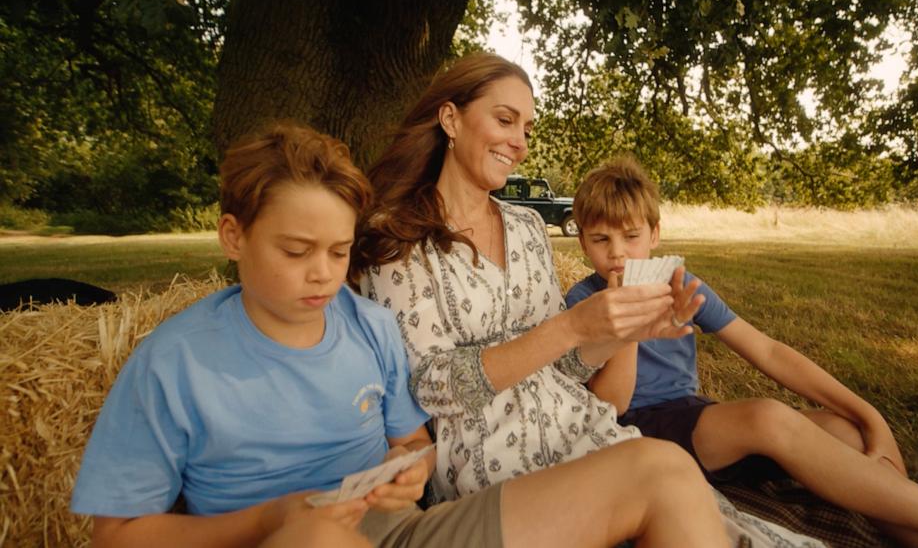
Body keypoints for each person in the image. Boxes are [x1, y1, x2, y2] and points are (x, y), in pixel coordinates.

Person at [69, 122, 735, 548]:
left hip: (399, 535)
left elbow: (413, 444)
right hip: (275, 540)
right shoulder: (174, 363)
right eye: (297, 250)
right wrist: (275, 518)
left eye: (338, 251)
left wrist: (405, 473)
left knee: (662, 468)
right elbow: (118, 534)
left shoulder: (369, 327)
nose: (324, 275)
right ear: (233, 236)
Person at [354, 52, 825, 547]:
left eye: (528, 128)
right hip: (489, 456)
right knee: (665, 483)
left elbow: (564, 370)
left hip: (580, 424)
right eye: (505, 120)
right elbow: (428, 390)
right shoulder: (398, 238)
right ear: (451, 119)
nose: (519, 143)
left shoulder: (527, 227)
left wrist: (620, 331)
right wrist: (571, 327)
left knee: (715, 518)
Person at [564, 156, 918, 548]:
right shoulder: (581, 301)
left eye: (631, 236)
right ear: (583, 243)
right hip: (637, 434)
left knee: (845, 434)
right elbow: (609, 406)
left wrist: (870, 416)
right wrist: (626, 326)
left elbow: (768, 351)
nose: (618, 253)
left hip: (694, 417)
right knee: (766, 417)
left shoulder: (679, 282)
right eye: (601, 239)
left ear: (654, 235)